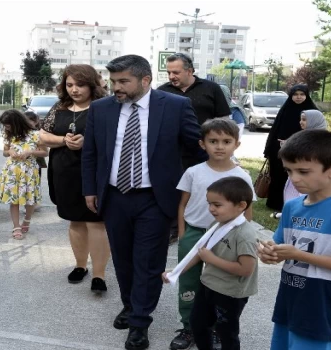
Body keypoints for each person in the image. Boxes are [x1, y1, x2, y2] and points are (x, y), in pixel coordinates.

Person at [82, 54, 206, 350]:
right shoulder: (101, 109)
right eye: (113, 82)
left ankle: (139, 321)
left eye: (124, 81)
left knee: (148, 263)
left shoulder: (175, 106)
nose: (117, 88)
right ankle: (130, 304)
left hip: (155, 198)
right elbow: (91, 153)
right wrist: (90, 189)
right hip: (114, 197)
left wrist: (220, 174)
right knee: (123, 261)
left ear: (145, 80)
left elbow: (197, 147)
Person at [258, 129, 331, 350]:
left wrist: (301, 255)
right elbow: (280, 247)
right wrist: (269, 253)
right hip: (291, 301)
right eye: (289, 171)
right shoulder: (291, 207)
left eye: (303, 171)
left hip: (323, 306)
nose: (294, 179)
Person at [170, 119, 256, 350]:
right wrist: (182, 231)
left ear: (236, 144)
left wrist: (244, 237)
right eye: (213, 141)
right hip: (195, 232)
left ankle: (218, 327)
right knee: (188, 280)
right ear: (202, 143)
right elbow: (183, 204)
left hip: (227, 238)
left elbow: (247, 211)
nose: (220, 146)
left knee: (220, 282)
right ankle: (189, 327)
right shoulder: (193, 172)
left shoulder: (243, 176)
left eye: (226, 141)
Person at [163, 176, 259, 350]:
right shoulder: (218, 224)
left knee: (226, 333)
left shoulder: (244, 235)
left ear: (241, 206)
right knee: (197, 324)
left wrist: (212, 259)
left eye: (217, 205)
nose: (211, 209)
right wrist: (176, 271)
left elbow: (246, 269)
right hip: (209, 286)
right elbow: (200, 253)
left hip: (230, 294)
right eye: (210, 204)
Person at [40, 64, 111, 292]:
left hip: (93, 172)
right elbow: (42, 134)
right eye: (69, 85)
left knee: (96, 221)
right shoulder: (60, 107)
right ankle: (81, 266)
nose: (74, 90)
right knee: (75, 220)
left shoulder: (103, 108)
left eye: (80, 85)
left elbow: (114, 138)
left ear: (92, 85)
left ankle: (99, 275)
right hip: (64, 172)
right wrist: (63, 141)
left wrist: (87, 142)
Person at [158, 53, 230, 245]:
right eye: (169, 72)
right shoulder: (162, 92)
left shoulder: (211, 89)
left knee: (202, 190)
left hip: (203, 152)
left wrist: (221, 147)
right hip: (172, 152)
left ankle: (206, 226)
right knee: (174, 190)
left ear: (190, 71)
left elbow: (224, 120)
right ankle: (174, 228)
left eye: (176, 72)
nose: (171, 76)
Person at [0, 109, 48, 239]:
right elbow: (5, 151)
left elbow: (45, 152)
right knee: (14, 199)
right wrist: (10, 152)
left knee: (29, 199)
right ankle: (16, 226)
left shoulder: (36, 135)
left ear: (16, 123)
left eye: (8, 125)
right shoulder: (9, 134)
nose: (6, 127)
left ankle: (27, 220)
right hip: (12, 170)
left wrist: (30, 152)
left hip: (29, 171)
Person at [263, 84, 317, 212]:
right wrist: (269, 149)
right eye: (295, 94)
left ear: (306, 96)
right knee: (278, 176)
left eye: (302, 94)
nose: (298, 97)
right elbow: (275, 130)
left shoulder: (312, 111)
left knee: (295, 178)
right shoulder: (286, 109)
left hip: (302, 150)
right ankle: (276, 203)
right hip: (280, 150)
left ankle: (294, 202)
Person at [277, 110, 328, 208]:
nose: (301, 122)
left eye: (304, 119)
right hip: (297, 178)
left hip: (309, 179)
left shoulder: (321, 139)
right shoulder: (304, 136)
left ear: (314, 121)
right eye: (301, 119)